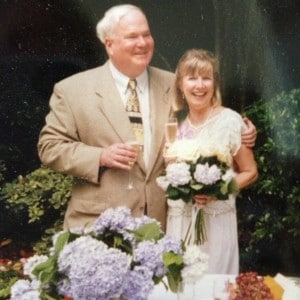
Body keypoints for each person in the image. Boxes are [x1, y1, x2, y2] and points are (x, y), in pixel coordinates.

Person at [37, 4, 256, 232]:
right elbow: (49, 147)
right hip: (99, 223)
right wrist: (100, 156)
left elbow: (210, 118)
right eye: (132, 36)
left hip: (162, 224)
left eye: (146, 34)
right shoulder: (73, 90)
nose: (143, 43)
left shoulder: (175, 83)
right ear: (109, 44)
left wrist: (242, 130)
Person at [164, 49, 258, 274]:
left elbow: (250, 172)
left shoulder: (230, 121)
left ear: (214, 83)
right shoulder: (173, 126)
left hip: (216, 224)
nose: (200, 85)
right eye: (192, 78)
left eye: (206, 78)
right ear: (180, 84)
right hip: (180, 224)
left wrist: (219, 190)